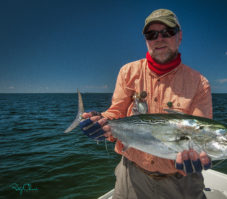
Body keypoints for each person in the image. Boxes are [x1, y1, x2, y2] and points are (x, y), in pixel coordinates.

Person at [80, 9, 213, 199]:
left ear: (180, 36)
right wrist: (100, 123)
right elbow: (115, 113)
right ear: (146, 40)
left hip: (182, 182)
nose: (159, 38)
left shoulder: (200, 83)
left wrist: (198, 155)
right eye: (151, 34)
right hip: (131, 177)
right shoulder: (128, 72)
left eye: (167, 32)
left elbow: (200, 131)